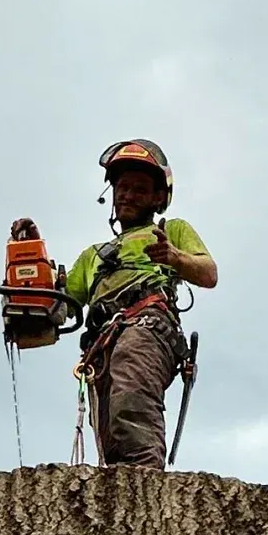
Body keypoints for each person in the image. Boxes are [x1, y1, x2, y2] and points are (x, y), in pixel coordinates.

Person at [65, 140, 217, 468]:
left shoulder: (169, 231)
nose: (127, 195)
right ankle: (123, 498)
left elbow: (208, 273)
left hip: (147, 324)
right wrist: (28, 257)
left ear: (158, 198)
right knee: (108, 428)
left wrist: (175, 257)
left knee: (130, 397)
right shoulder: (92, 256)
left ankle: (146, 484)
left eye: (139, 188)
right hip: (102, 344)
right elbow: (57, 311)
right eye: (121, 187)